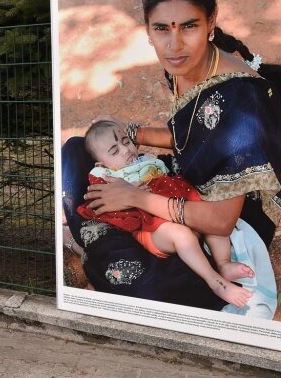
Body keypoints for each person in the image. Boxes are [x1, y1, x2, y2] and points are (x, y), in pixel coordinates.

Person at [64, 0, 281, 315]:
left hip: (227, 230)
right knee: (77, 151)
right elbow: (193, 136)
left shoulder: (242, 99)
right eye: (161, 29)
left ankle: (100, 254)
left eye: (188, 26)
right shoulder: (185, 63)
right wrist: (131, 134)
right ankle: (103, 248)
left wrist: (135, 198)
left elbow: (221, 220)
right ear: (148, 28)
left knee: (143, 278)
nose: (174, 45)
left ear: (211, 20)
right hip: (189, 187)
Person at [80, 119, 253, 307]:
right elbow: (105, 208)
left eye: (126, 141)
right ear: (102, 165)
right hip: (153, 228)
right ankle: (216, 282)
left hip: (178, 207)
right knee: (181, 235)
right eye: (114, 151)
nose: (125, 149)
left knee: (211, 218)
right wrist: (134, 195)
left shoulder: (146, 162)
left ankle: (224, 263)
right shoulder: (107, 179)